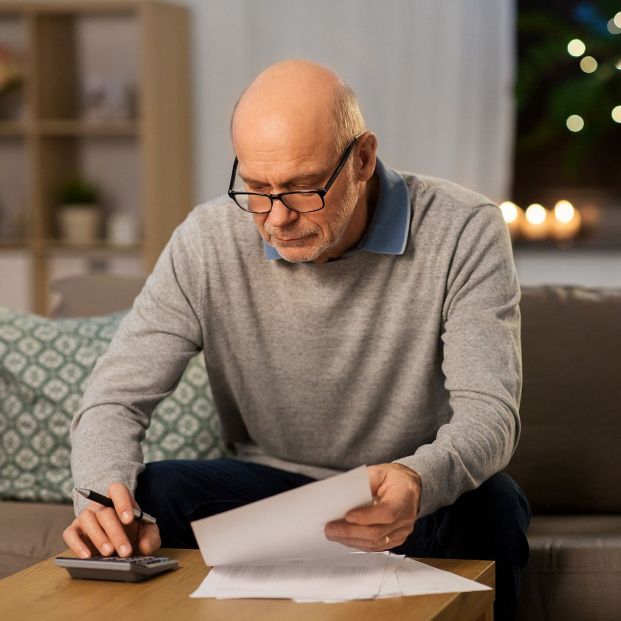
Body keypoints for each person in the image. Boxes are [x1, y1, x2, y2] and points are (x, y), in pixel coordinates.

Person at [64, 60, 530, 620]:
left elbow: (490, 413)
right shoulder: (207, 240)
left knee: (494, 506)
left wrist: (418, 479)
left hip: (408, 495)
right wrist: (98, 497)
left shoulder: (464, 229)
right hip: (271, 494)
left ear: (362, 159)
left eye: (304, 190)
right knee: (155, 490)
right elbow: (116, 397)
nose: (277, 218)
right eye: (257, 189)